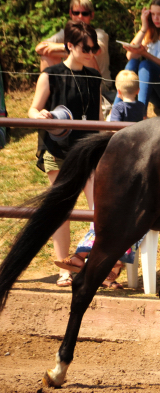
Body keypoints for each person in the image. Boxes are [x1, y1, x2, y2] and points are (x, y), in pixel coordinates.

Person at [28, 21, 102, 287]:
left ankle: (96, 266)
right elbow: (32, 110)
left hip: (88, 153)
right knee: (61, 210)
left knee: (99, 210)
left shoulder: (94, 77)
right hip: (57, 151)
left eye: (95, 48)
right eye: (86, 47)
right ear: (70, 45)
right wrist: (41, 115)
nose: (91, 52)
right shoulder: (51, 75)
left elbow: (99, 118)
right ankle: (64, 270)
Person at [114, 0, 160, 112]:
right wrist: (144, 27)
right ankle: (116, 109)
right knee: (133, 62)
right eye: (152, 14)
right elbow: (130, 56)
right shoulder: (151, 32)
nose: (155, 18)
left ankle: (140, 112)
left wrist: (145, 53)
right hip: (154, 94)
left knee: (146, 65)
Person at [35, 0, 112, 95]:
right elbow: (39, 48)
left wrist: (68, 48)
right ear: (71, 13)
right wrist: (68, 49)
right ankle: (49, 94)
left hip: (99, 85)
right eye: (76, 13)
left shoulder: (99, 34)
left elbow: (96, 50)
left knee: (88, 55)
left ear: (92, 15)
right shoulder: (66, 34)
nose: (80, 17)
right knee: (47, 55)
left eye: (85, 13)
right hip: (71, 81)